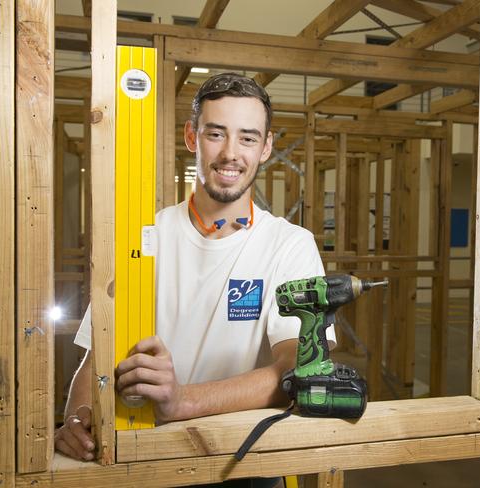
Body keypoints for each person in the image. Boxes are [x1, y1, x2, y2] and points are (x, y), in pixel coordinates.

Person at [54, 73, 334, 481]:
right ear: (191, 136)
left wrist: (180, 401)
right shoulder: (144, 239)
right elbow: (95, 357)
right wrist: (79, 421)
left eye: (248, 138)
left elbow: (296, 368)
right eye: (216, 134)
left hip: (243, 463)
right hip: (148, 459)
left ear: (267, 147)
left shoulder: (289, 245)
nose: (230, 154)